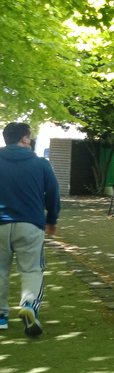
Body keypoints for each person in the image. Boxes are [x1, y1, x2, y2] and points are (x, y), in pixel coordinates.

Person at [0, 122, 60, 336]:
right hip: (30, 223)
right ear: (24, 139)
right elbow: (53, 192)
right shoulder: (40, 163)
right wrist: (52, 219)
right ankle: (29, 305)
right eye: (31, 136)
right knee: (32, 269)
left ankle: (1, 317)